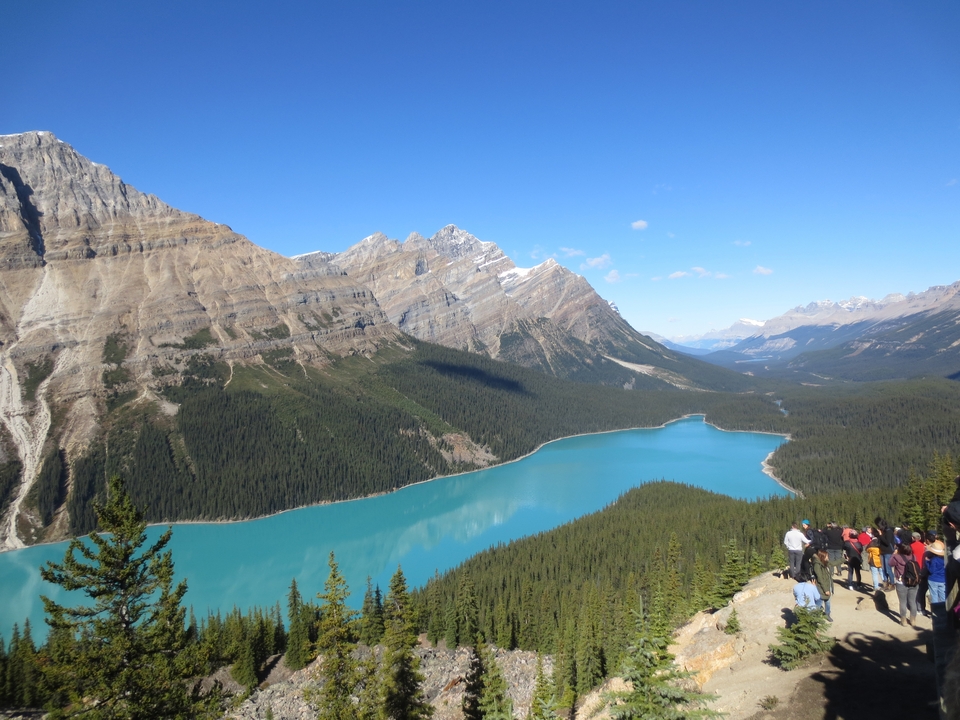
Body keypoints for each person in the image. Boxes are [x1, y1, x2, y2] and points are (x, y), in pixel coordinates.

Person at [890, 543, 920, 627]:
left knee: (903, 602)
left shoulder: (897, 557)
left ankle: (903, 620)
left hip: (901, 581)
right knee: (912, 601)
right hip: (913, 582)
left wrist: (894, 554)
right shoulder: (914, 557)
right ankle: (913, 620)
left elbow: (890, 563)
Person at [812, 549, 834, 621]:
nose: (828, 558)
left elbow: (834, 563)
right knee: (819, 601)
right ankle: (814, 616)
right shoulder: (817, 565)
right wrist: (826, 590)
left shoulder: (824, 563)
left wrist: (843, 559)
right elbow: (820, 578)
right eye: (826, 556)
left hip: (828, 585)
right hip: (822, 587)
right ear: (822, 557)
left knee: (827, 601)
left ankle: (827, 614)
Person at [876, 517, 897, 588]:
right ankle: (885, 582)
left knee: (888, 569)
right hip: (882, 551)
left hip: (888, 552)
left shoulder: (889, 531)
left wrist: (880, 535)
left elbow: (887, 542)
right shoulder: (883, 531)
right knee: (883, 569)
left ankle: (892, 583)